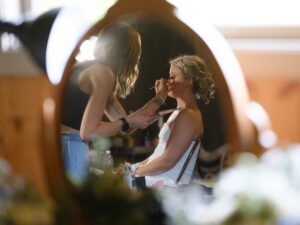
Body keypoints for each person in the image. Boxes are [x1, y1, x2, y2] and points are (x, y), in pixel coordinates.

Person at [61, 22, 168, 181]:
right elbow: (88, 132)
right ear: (129, 55)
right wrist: (129, 120)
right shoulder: (104, 74)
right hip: (71, 146)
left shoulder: (90, 68)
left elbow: (126, 126)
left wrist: (160, 97)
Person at [125, 55, 215, 187]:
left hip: (166, 187)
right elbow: (157, 155)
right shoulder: (179, 113)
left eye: (173, 77)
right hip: (157, 180)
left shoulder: (188, 115)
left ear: (188, 81)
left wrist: (132, 171)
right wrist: (133, 167)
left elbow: (167, 161)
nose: (168, 81)